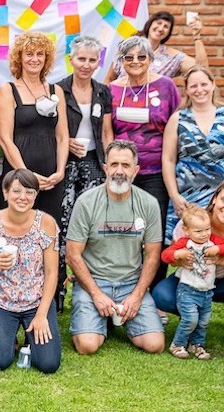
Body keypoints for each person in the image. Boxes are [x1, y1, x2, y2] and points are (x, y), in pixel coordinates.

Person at [65, 140, 165, 355]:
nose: (119, 171)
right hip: (94, 282)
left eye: (126, 166)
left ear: (136, 170)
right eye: (114, 164)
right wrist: (96, 294)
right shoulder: (86, 202)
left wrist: (137, 296)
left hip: (130, 283)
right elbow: (73, 255)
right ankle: (101, 317)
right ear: (105, 168)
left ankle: (112, 317)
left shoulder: (148, 203)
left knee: (154, 344)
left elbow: (152, 257)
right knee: (87, 346)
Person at [151, 178, 224, 352]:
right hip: (191, 283)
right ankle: (194, 322)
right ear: (215, 198)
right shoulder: (192, 221)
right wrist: (180, 258)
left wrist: (222, 259)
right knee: (161, 295)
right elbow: (170, 257)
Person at [106, 36, 180, 311]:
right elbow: (107, 132)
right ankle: (118, 289)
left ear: (150, 59)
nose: (135, 62)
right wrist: (112, 167)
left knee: (153, 233)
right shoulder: (111, 90)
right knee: (119, 230)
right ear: (120, 61)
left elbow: (176, 126)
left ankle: (153, 297)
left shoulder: (166, 86)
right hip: (121, 174)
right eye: (129, 57)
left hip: (156, 171)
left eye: (141, 57)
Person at [0, 169, 61, 373]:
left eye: (29, 192)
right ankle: (9, 334)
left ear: (35, 195)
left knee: (48, 364)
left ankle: (29, 335)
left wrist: (41, 315)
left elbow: (51, 274)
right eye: (16, 191)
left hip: (36, 301)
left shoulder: (45, 223)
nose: (23, 197)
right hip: (2, 301)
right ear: (5, 193)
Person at [54, 35, 113, 311]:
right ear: (71, 60)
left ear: (98, 62)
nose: (86, 65)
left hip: (93, 163)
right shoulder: (58, 90)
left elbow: (107, 131)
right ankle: (57, 291)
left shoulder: (103, 91)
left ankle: (84, 290)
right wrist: (67, 142)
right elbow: (52, 129)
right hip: (66, 163)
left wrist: (111, 161)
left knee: (88, 227)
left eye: (92, 60)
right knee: (63, 225)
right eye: (81, 59)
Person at [162, 65, 224, 240]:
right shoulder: (178, 119)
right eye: (193, 86)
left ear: (213, 85)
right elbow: (168, 159)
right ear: (186, 89)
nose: (199, 90)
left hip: (223, 199)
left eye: (204, 84)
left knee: (221, 247)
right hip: (186, 199)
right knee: (181, 250)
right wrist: (174, 195)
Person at [0, 31, 69, 224]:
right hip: (18, 177)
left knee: (48, 232)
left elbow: (62, 137)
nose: (34, 59)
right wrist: (26, 175)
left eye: (39, 54)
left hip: (50, 179)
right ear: (19, 57)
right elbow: (5, 139)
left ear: (47, 58)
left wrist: (60, 172)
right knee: (13, 230)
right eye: (29, 54)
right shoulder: (8, 90)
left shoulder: (56, 91)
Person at [161, 205, 224, 360]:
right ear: (186, 230)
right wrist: (178, 254)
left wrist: (218, 249)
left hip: (207, 291)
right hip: (188, 290)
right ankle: (177, 344)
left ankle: (197, 345)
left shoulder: (212, 241)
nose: (204, 235)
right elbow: (165, 255)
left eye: (207, 229)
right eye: (198, 231)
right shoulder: (184, 242)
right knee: (190, 319)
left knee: (203, 321)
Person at [105, 10, 208, 82]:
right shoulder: (127, 47)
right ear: (150, 24)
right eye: (158, 23)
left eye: (166, 26)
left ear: (169, 33)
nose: (160, 28)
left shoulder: (171, 57)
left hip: (154, 110)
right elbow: (110, 78)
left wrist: (197, 36)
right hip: (121, 106)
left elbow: (202, 69)